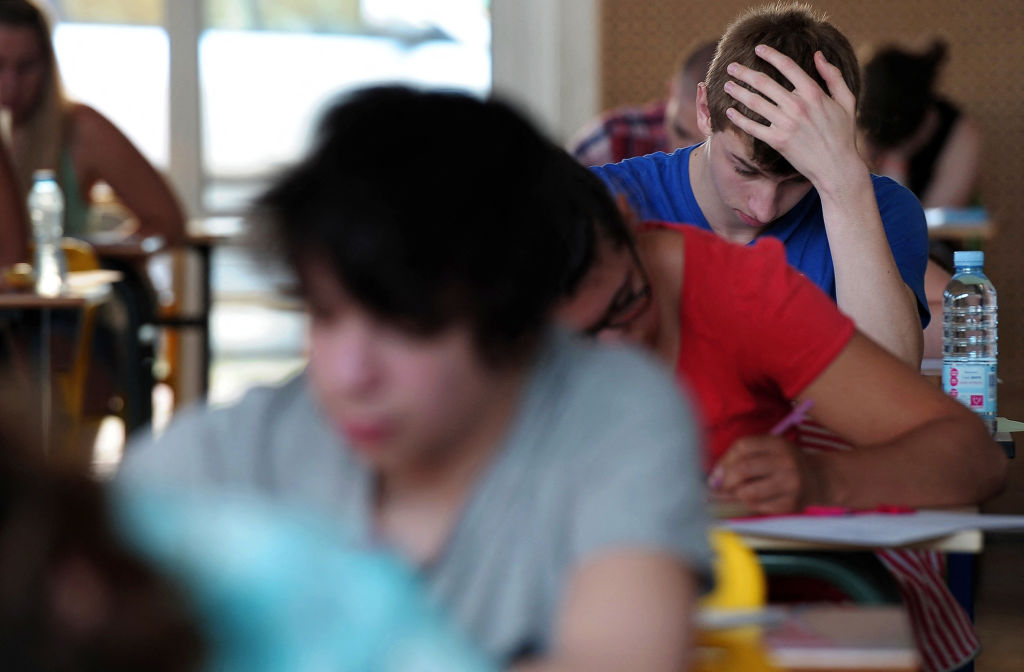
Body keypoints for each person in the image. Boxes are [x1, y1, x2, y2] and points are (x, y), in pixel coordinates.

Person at [120, 86, 712, 670]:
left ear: (518, 320)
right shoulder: (248, 447)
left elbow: (618, 658)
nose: (350, 376)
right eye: (324, 315)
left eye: (405, 326)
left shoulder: (616, 413)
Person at [553, 160, 1007, 672]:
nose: (619, 347)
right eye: (574, 345)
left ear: (627, 222)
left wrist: (820, 478)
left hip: (768, 626)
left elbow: (975, 457)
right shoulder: (476, 354)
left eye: (630, 303)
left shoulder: (731, 290)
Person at [590, 3, 928, 367]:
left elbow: (889, 375)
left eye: (799, 179)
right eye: (744, 169)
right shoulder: (609, 199)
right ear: (704, 110)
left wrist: (844, 184)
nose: (764, 208)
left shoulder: (879, 206)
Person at [0, 0, 185, 244]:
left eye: (26, 67)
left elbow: (167, 222)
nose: (11, 84)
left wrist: (90, 260)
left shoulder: (80, 128)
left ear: (47, 65)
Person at [859, 39, 983, 360]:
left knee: (960, 307)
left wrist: (897, 161)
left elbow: (932, 216)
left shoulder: (958, 130)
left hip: (936, 244)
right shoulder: (867, 122)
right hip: (872, 233)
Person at [568, 39, 717, 167]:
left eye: (708, 144)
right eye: (681, 132)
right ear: (672, 90)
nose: (691, 156)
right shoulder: (614, 138)